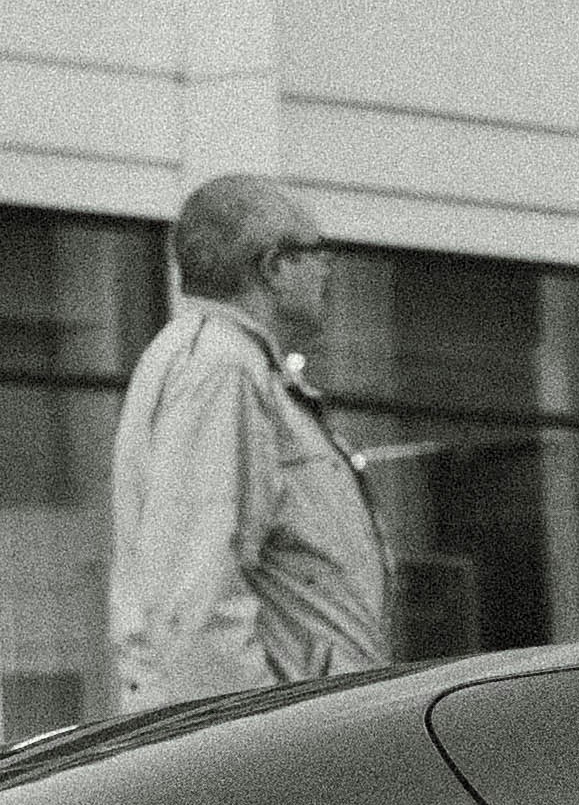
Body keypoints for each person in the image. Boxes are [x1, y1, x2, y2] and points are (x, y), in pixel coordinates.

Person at [112, 172, 397, 710]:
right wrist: (259, 753)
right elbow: (196, 599)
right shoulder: (221, 369)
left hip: (303, 731)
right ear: (274, 268)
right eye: (318, 251)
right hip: (282, 751)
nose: (329, 269)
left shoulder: (233, 365)